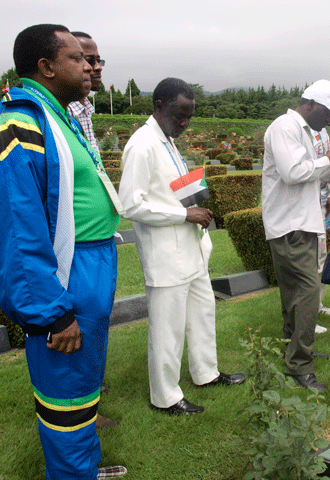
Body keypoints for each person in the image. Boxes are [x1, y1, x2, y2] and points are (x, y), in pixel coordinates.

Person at [0, 24, 126, 479]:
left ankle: (83, 468)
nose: (89, 66)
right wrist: (52, 314)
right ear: (47, 67)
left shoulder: (58, 114)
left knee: (84, 380)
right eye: (77, 58)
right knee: (64, 387)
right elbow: (20, 229)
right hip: (67, 275)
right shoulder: (21, 121)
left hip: (93, 262)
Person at [119, 78, 244, 416]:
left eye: (190, 116)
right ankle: (166, 396)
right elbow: (130, 205)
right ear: (159, 107)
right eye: (180, 115)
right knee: (168, 327)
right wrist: (184, 213)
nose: (185, 124)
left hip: (190, 247)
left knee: (203, 312)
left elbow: (169, 187)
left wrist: (194, 196)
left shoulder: (168, 140)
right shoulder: (142, 144)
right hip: (164, 253)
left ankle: (206, 373)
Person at [262, 79, 330, 392]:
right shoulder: (285, 126)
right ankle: (299, 365)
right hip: (289, 223)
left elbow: (310, 174)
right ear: (310, 104)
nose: (329, 119)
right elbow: (293, 173)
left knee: (294, 291)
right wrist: (326, 161)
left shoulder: (305, 130)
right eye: (327, 112)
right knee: (307, 289)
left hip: (304, 220)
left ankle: (294, 345)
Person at [67, 30, 116, 431]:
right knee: (78, 333)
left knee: (95, 329)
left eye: (99, 61)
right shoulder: (55, 112)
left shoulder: (86, 105)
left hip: (98, 243)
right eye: (86, 59)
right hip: (76, 247)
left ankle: (89, 403)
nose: (93, 67)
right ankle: (77, 412)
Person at [312, 126, 330, 333]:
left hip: (320, 203)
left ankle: (317, 306)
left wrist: (327, 195)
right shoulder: (303, 132)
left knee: (320, 258)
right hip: (307, 206)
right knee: (312, 261)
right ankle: (306, 315)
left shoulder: (323, 132)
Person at [68, 32, 103, 152]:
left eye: (99, 61)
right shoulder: (64, 113)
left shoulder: (86, 109)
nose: (98, 67)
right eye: (90, 60)